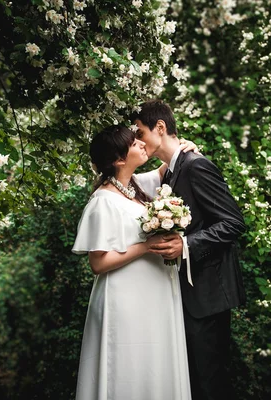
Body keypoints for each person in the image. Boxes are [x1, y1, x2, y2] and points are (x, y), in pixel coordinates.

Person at [71, 125, 198, 400]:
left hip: (152, 297)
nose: (142, 144)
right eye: (134, 143)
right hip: (125, 299)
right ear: (118, 159)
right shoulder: (103, 200)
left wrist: (184, 148)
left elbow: (170, 165)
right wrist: (145, 247)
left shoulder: (135, 187)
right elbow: (98, 263)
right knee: (128, 364)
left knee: (154, 364)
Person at [133, 99, 247, 400]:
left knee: (211, 383)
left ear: (160, 128)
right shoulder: (170, 172)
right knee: (196, 381)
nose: (138, 141)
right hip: (186, 292)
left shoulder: (196, 165)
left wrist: (186, 244)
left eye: (140, 132)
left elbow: (233, 222)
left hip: (207, 293)